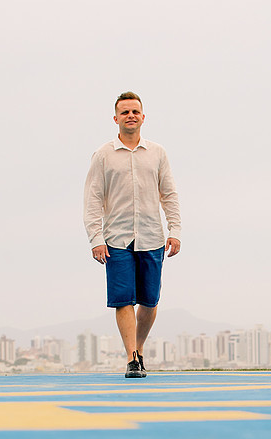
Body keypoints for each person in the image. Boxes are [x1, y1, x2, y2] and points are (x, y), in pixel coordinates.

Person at [83, 92, 181, 378]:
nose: (130, 116)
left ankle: (138, 348)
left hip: (152, 235)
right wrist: (95, 238)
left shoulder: (158, 153)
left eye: (135, 112)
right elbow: (92, 198)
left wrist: (175, 230)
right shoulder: (103, 155)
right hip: (116, 238)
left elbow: (170, 194)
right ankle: (131, 358)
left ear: (143, 117)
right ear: (116, 119)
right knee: (123, 298)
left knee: (150, 300)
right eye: (124, 112)